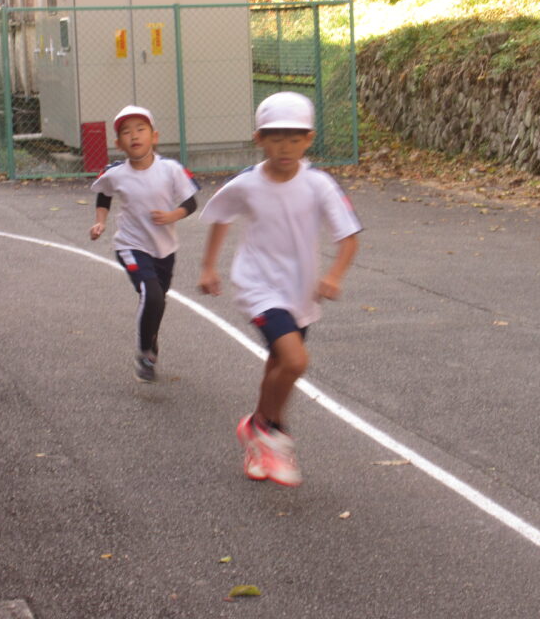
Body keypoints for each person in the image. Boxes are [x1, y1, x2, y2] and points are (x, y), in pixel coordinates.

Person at [198, 92, 361, 487]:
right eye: (275, 138)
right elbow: (221, 216)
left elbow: (349, 236)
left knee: (278, 365)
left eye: (294, 138)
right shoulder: (247, 184)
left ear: (309, 139)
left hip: (300, 291)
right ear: (259, 139)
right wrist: (208, 266)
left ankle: (257, 433)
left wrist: (334, 275)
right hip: (257, 286)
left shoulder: (319, 184)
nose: (285, 147)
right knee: (295, 361)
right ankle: (270, 433)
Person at [89, 105, 199, 383]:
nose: (134, 136)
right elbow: (104, 195)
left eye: (140, 129)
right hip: (130, 245)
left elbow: (191, 201)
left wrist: (173, 215)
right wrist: (100, 222)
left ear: (154, 136)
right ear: (119, 143)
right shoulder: (116, 173)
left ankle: (151, 337)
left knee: (158, 300)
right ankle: (145, 353)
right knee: (151, 295)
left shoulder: (170, 169)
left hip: (165, 248)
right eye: (127, 132)